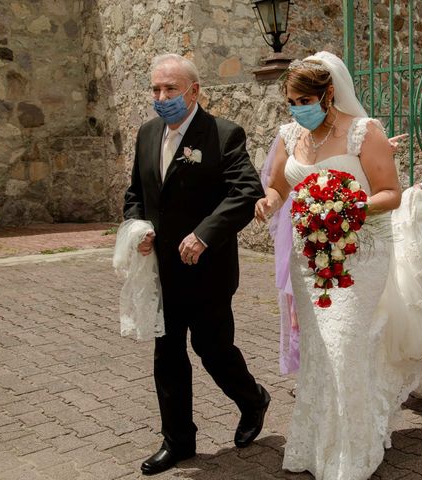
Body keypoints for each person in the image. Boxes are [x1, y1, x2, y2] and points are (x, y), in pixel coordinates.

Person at [256, 51, 422, 480]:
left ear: (328, 93)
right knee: (318, 350)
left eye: (304, 99)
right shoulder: (289, 134)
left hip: (362, 252)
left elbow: (390, 192)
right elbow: (280, 186)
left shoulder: (363, 133)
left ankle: (353, 449)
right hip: (309, 258)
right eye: (291, 100)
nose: (297, 107)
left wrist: (348, 207)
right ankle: (316, 443)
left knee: (344, 345)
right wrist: (269, 202)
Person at [123, 54, 270, 476]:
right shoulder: (148, 133)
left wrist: (205, 233)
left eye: (170, 89)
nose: (162, 97)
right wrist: (139, 228)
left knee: (213, 350)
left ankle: (252, 399)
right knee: (166, 355)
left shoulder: (223, 134)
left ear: (194, 91)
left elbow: (245, 191)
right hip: (162, 272)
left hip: (207, 270)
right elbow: (137, 192)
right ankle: (178, 441)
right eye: (155, 89)